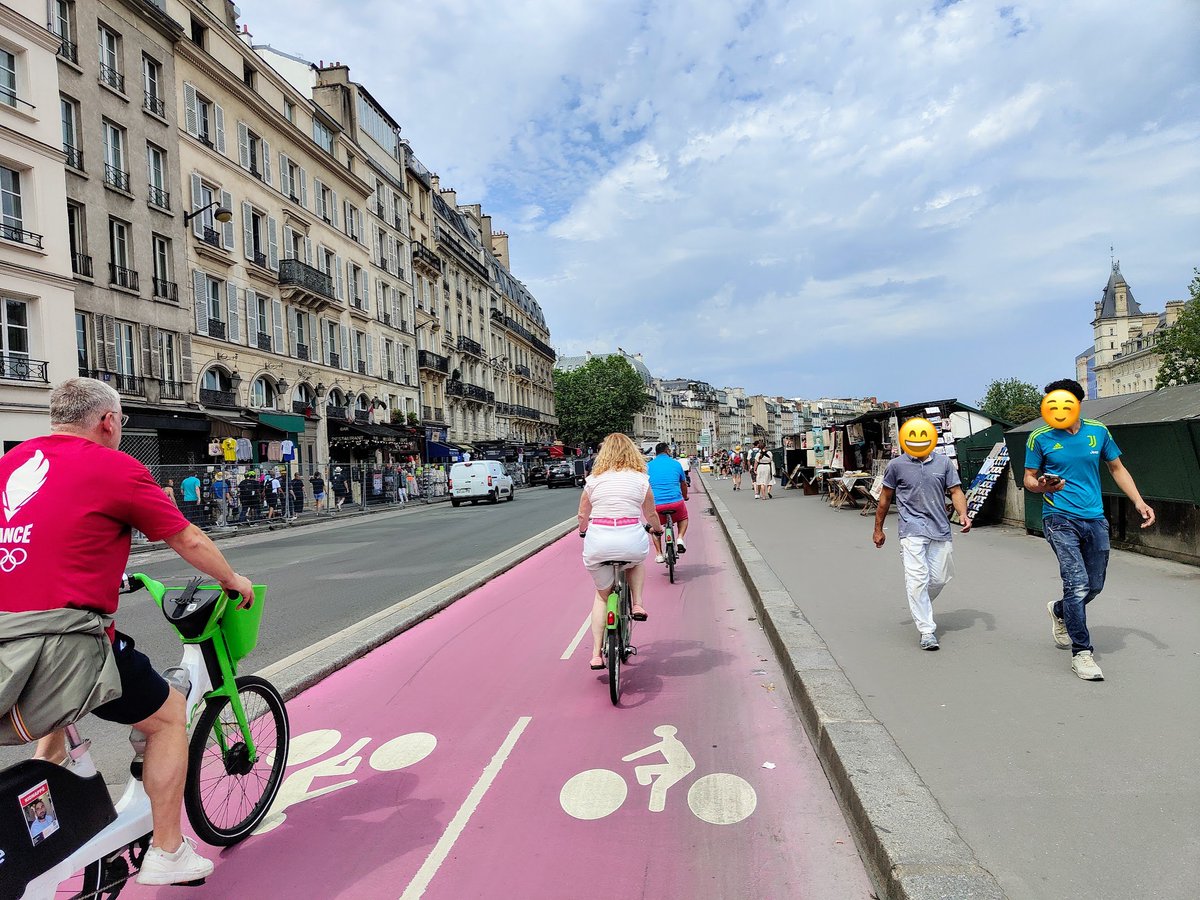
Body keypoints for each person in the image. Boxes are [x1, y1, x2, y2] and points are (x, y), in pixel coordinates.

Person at [0, 377, 255, 885]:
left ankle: (49, 813)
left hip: (10, 647)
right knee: (167, 716)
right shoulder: (114, 466)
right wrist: (232, 579)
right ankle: (167, 851)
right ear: (108, 421)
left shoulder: (10, 463)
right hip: (67, 642)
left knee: (56, 705)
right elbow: (186, 536)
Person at [1024, 379, 1155, 681]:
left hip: (1095, 518)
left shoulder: (1098, 431)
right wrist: (1041, 484)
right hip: (1058, 517)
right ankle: (1082, 653)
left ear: (1077, 404)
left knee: (1094, 586)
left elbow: (1117, 468)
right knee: (1078, 583)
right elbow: (1029, 478)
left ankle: (1059, 610)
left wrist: (1139, 502)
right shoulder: (1039, 437)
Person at [872, 425, 971, 651]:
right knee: (918, 579)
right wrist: (878, 529)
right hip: (911, 529)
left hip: (940, 528)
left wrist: (963, 514)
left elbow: (955, 491)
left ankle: (919, 601)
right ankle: (927, 630)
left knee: (939, 578)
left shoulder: (943, 463)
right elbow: (885, 498)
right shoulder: (896, 465)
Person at [577, 433, 664, 670]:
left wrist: (583, 531)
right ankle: (637, 603)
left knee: (601, 596)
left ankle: (596, 654)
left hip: (599, 542)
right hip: (630, 539)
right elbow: (651, 514)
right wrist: (657, 530)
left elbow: (583, 515)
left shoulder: (593, 480)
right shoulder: (640, 479)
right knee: (636, 563)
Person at [647, 442, 690, 563]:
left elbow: (644, 486)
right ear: (667, 451)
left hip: (657, 505)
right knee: (683, 517)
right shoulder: (676, 464)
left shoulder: (648, 466)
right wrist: (685, 496)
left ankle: (659, 554)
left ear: (656, 453)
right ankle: (680, 538)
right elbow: (683, 484)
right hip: (675, 502)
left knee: (654, 526)